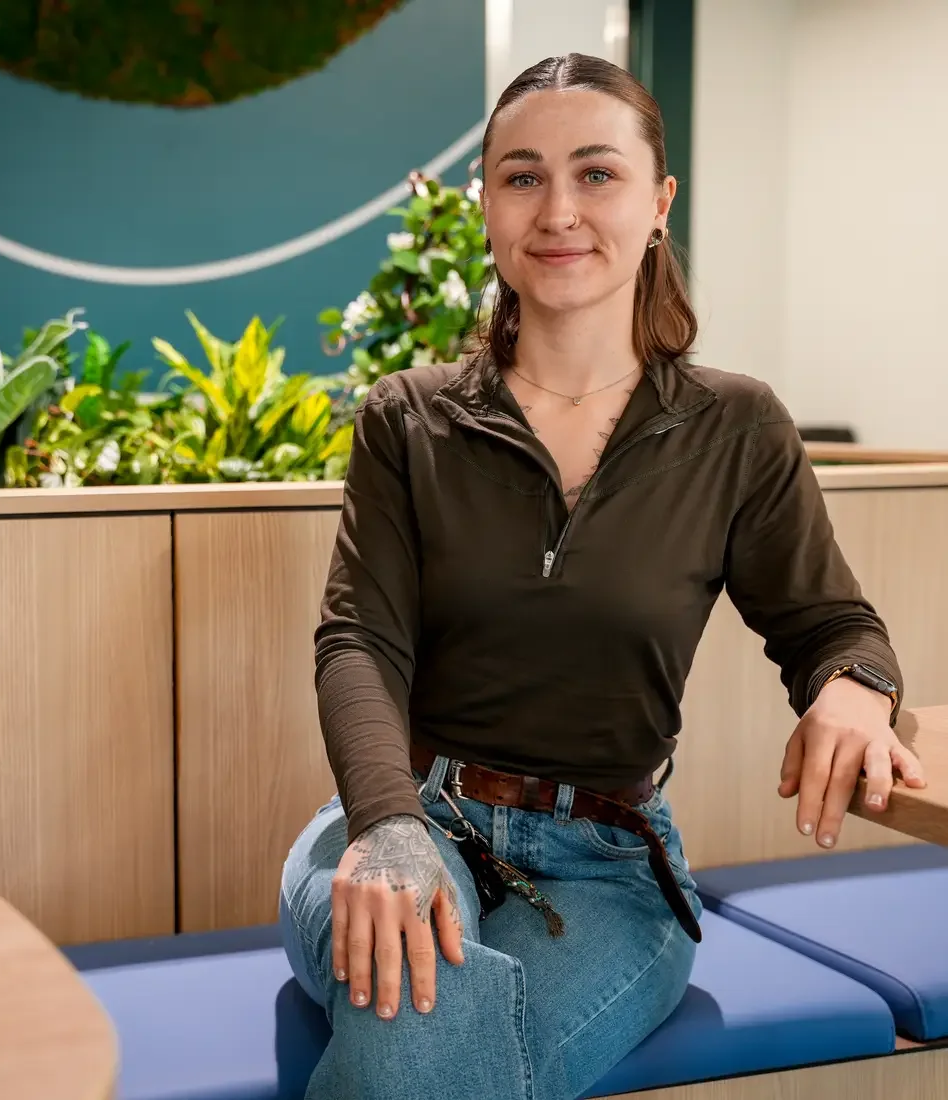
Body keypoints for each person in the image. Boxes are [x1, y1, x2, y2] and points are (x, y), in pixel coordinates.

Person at [279, 53, 926, 1100]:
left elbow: (830, 623)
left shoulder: (734, 426)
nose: (557, 210)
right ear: (485, 205)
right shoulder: (408, 415)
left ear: (658, 201)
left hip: (608, 869)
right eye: (521, 176)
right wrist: (384, 825)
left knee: (415, 1046)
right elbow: (359, 637)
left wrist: (856, 683)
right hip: (402, 816)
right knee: (418, 1022)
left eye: (595, 174)